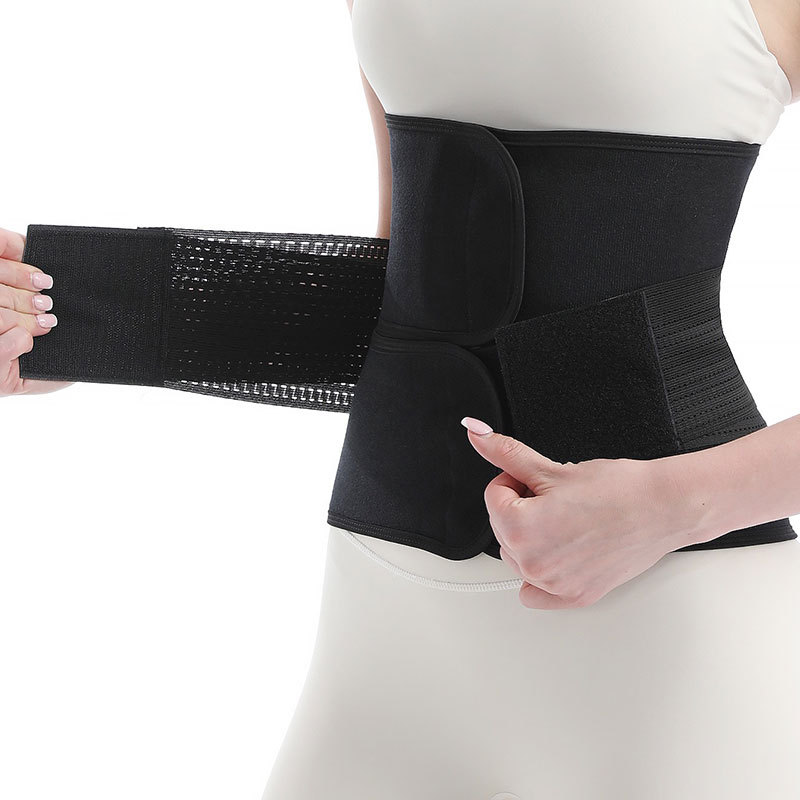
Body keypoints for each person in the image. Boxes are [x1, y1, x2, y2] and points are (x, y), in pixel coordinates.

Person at [3, 1, 800, 798]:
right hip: (387, 616)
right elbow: (417, 308)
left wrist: (670, 506)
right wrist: (74, 327)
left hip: (667, 623)